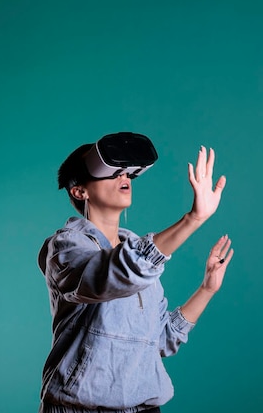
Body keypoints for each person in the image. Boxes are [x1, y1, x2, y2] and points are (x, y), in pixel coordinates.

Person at [37, 132, 234, 413]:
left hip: (143, 407)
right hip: (80, 408)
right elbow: (113, 275)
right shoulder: (66, 246)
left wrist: (207, 289)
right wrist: (193, 219)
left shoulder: (141, 255)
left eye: (127, 172)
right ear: (80, 191)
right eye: (110, 172)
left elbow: (160, 340)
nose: (124, 177)